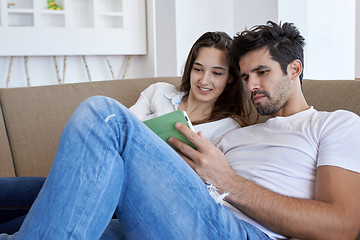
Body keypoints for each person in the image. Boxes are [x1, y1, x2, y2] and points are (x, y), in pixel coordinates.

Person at [1, 21, 359, 240]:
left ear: (294, 68)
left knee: (106, 116)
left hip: (233, 231)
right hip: (181, 211)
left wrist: (226, 181)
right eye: (247, 76)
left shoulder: (334, 123)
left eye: (262, 72)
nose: (252, 85)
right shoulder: (239, 135)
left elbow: (342, 226)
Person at [0, 31, 253, 236]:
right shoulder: (159, 92)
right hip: (107, 173)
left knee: (55, 195)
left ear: (230, 79)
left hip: (145, 196)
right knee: (49, 191)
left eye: (217, 73)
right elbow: (120, 128)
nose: (204, 80)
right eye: (198, 69)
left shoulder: (228, 128)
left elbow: (210, 190)